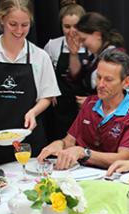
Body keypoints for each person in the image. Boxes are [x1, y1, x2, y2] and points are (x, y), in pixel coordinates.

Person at [0, 0, 61, 168]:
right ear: (1, 19)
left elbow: (47, 96)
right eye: (13, 24)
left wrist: (33, 112)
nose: (19, 31)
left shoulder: (39, 56)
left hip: (30, 140)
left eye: (25, 25)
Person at [37, 49, 129, 170]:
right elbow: (70, 140)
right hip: (81, 174)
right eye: (98, 77)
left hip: (116, 179)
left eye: (108, 79)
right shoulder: (90, 103)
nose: (100, 84)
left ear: (126, 82)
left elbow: (124, 158)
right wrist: (60, 144)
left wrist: (84, 153)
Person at [42, 0, 90, 143]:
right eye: (67, 26)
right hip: (62, 109)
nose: (72, 31)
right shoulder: (53, 46)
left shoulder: (92, 46)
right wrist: (49, 90)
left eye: (77, 26)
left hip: (87, 105)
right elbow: (41, 71)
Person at [69, 12, 129, 100]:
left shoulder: (114, 58)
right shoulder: (94, 57)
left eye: (83, 39)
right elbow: (77, 77)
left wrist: (92, 102)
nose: (82, 44)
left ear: (97, 35)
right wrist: (73, 54)